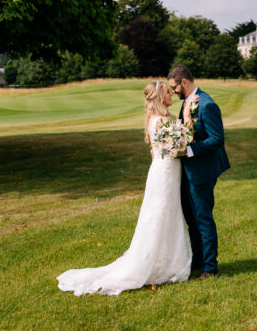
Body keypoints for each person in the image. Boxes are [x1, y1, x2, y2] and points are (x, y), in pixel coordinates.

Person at [57, 81, 194, 295]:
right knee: (160, 217)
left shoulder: (157, 119)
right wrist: (186, 115)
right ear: (159, 97)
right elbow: (185, 139)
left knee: (167, 216)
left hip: (165, 171)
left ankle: (168, 261)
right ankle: (157, 265)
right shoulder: (160, 121)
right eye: (167, 92)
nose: (171, 94)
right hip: (164, 174)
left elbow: (166, 146)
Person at [167, 65, 230, 279]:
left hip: (202, 170)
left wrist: (189, 150)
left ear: (184, 82)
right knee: (191, 218)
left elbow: (217, 139)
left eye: (174, 87)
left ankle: (211, 268)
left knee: (202, 218)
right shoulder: (186, 102)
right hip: (188, 170)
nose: (173, 91)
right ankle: (198, 260)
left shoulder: (207, 104)